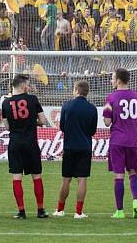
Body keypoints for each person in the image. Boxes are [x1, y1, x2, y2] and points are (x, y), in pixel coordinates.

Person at [1, 74, 49, 219]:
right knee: (36, 176)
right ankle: (40, 210)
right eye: (27, 85)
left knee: (17, 177)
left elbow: (7, 126)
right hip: (31, 143)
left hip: (15, 143)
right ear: (23, 86)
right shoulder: (32, 99)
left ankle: (21, 211)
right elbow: (43, 120)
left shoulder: (5, 103)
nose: (28, 87)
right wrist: (31, 122)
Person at [103, 67, 137, 219]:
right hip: (134, 140)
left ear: (119, 80)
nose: (111, 80)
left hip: (118, 141)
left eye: (113, 78)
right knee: (133, 172)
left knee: (119, 175)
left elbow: (107, 122)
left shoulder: (111, 97)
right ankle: (135, 202)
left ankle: (120, 211)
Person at [53, 80, 97, 219]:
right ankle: (78, 212)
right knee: (82, 179)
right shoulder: (92, 108)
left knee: (66, 179)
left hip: (69, 147)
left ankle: (60, 210)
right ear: (87, 92)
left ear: (77, 90)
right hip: (85, 147)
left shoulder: (67, 105)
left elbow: (62, 127)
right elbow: (92, 130)